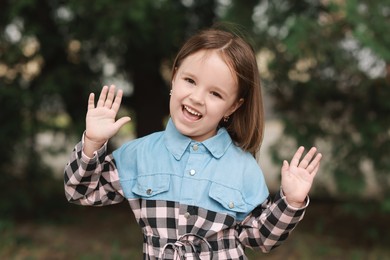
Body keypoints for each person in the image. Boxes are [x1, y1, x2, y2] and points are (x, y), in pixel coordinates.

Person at [64, 26, 322, 259]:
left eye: (215, 93)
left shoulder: (243, 167)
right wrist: (93, 143)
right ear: (174, 77)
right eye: (190, 81)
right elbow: (81, 192)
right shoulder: (139, 154)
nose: (197, 98)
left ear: (232, 106)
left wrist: (291, 202)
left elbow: (260, 238)